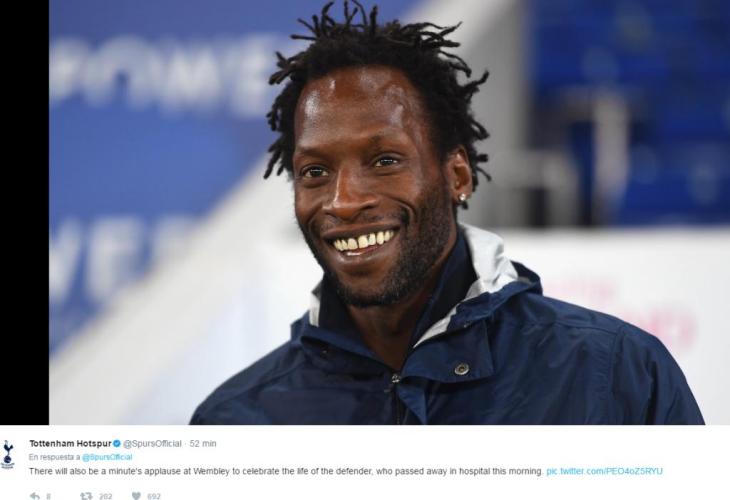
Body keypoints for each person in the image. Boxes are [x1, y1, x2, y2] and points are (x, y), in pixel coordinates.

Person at [191, 1, 703, 424]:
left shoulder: (615, 374)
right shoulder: (236, 421)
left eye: (384, 161)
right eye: (316, 171)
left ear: (457, 175)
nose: (343, 201)